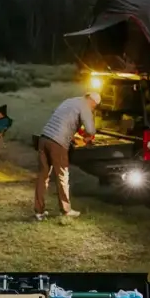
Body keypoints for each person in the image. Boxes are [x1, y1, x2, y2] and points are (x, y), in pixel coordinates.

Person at [35, 92, 100, 220]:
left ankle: (39, 211)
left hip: (44, 138)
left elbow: (61, 120)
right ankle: (65, 210)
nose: (93, 109)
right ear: (93, 102)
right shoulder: (85, 106)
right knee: (62, 176)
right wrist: (88, 137)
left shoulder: (69, 101)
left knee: (43, 176)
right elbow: (91, 130)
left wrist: (74, 133)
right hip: (58, 143)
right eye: (94, 107)